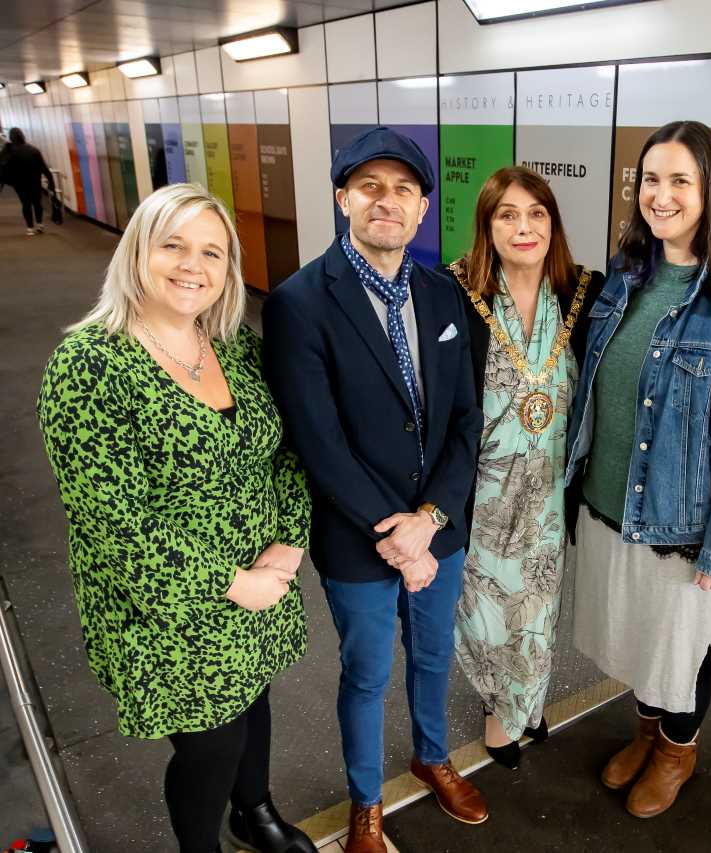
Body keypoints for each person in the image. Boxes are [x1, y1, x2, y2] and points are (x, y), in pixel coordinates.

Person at [36, 183, 317, 853]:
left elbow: (282, 452)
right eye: (174, 245)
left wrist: (288, 539)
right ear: (139, 251)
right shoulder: (89, 366)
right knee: (213, 738)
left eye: (212, 252)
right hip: (169, 607)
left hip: (258, 581)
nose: (194, 265)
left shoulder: (234, 347)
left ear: (228, 270)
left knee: (254, 699)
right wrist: (232, 583)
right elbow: (115, 521)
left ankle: (255, 811)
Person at [262, 127, 485, 853]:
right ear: (343, 199)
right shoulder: (301, 302)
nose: (386, 201)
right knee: (366, 672)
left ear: (422, 209)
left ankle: (432, 754)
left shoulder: (444, 292)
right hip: (358, 537)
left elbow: (465, 419)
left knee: (432, 654)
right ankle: (367, 802)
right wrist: (395, 533)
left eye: (403, 190)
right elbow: (315, 440)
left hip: (438, 527)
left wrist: (429, 519)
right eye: (369, 187)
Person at [566, 120, 711, 818]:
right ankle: (647, 727)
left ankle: (677, 749)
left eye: (680, 181)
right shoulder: (630, 269)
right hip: (612, 504)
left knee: (681, 649)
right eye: (651, 180)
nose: (661, 196)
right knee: (640, 639)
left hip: (684, 522)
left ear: (709, 189)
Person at [441, 166, 605, 770]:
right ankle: (499, 707)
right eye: (507, 214)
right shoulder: (454, 290)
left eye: (536, 213)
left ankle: (526, 704)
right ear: (487, 225)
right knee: (485, 610)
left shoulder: (586, 292)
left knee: (537, 610)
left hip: (549, 492)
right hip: (481, 493)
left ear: (553, 223)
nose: (524, 226)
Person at [2, 128, 55, 235]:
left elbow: (2, 164)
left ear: (11, 137)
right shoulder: (34, 150)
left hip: (19, 182)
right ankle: (40, 225)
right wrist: (51, 183)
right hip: (34, 181)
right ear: (22, 135)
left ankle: (30, 228)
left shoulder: (9, 150)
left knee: (26, 204)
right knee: (37, 203)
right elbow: (44, 168)